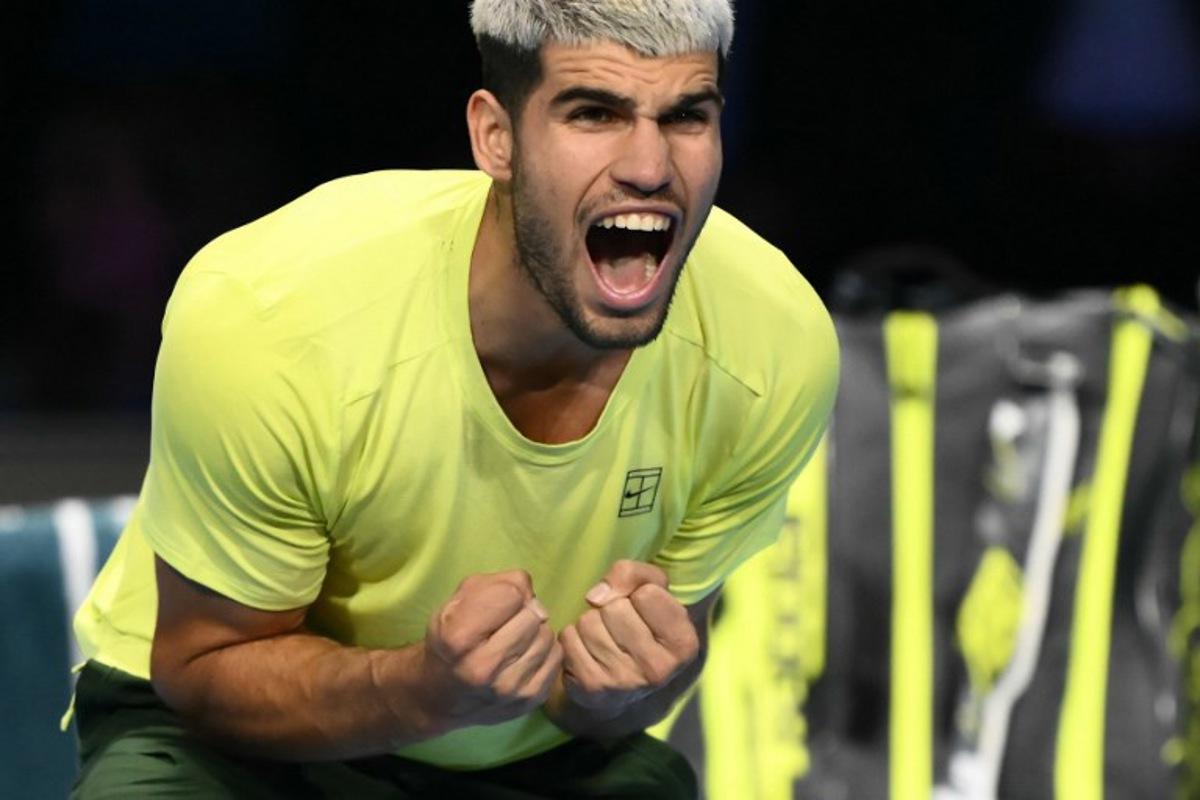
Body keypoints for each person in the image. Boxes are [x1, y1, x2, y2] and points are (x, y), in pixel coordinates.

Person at [69, 1, 839, 797]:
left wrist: (614, 692)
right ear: (495, 137)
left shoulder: (771, 348)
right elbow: (204, 670)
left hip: (531, 755)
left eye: (686, 116)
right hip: (229, 742)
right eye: (594, 113)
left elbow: (635, 695)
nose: (649, 166)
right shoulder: (273, 317)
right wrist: (421, 691)